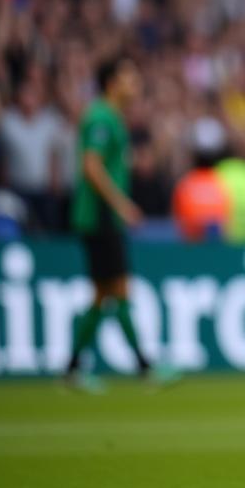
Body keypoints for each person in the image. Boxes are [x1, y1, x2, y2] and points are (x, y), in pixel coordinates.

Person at [65, 57, 152, 387]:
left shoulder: (111, 117)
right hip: (100, 216)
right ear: (112, 82)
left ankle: (72, 369)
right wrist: (122, 205)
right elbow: (91, 166)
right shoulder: (101, 116)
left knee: (104, 294)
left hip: (100, 218)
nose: (135, 84)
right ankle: (145, 367)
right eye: (129, 77)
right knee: (119, 288)